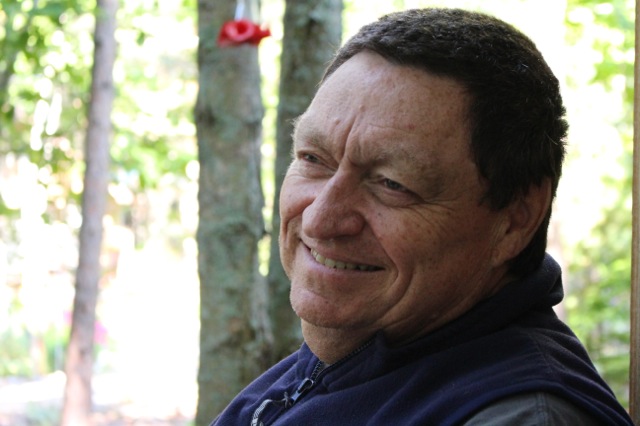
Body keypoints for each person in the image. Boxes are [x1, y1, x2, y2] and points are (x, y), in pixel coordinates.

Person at [212, 8, 634, 425]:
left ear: (515, 220)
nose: (320, 220)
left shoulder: (519, 416)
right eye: (313, 158)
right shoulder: (354, 362)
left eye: (392, 183)